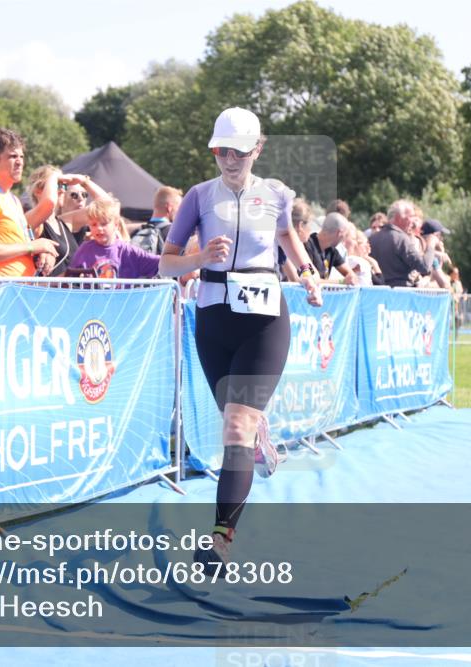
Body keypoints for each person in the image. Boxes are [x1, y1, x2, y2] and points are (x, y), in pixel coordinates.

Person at [157, 107, 322, 576]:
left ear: (257, 150)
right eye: (221, 152)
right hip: (214, 322)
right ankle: (257, 435)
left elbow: (289, 239)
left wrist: (307, 276)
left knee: (235, 429)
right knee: (237, 423)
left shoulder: (275, 196)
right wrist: (198, 256)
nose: (229, 160)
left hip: (265, 322)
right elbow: (165, 264)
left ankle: (221, 538)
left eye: (238, 152)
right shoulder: (197, 198)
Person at [0, 128, 58, 278]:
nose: (20, 162)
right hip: (1, 294)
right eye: (13, 156)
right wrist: (31, 246)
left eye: (21, 156)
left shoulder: (13, 199)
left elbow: (18, 247)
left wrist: (41, 253)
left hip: (19, 291)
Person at [67, 199, 161, 279]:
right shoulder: (85, 249)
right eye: (94, 224)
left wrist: (174, 256)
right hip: (93, 300)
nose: (99, 228)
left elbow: (160, 263)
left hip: (121, 300)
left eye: (104, 224)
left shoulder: (127, 251)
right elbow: (69, 277)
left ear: (116, 225)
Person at [26, 165, 80, 277]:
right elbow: (49, 202)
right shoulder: (32, 221)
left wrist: (85, 181)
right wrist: (56, 175)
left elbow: (107, 207)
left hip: (71, 292)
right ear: (38, 191)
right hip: (47, 292)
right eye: (57, 185)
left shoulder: (64, 221)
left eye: (64, 185)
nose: (62, 190)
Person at [368, 199, 429, 287]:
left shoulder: (371, 239)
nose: (412, 221)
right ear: (399, 218)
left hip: (378, 294)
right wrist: (431, 246)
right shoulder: (402, 239)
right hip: (402, 294)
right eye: (411, 216)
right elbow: (424, 267)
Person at [57, 174, 111, 245]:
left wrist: (85, 182)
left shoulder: (93, 228)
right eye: (74, 195)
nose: (81, 199)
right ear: (61, 198)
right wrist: (84, 182)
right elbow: (107, 204)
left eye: (84, 194)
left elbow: (108, 205)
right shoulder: (55, 222)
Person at [129, 186, 183, 255]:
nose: (180, 212)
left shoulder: (136, 232)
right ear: (169, 208)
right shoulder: (175, 232)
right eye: (178, 208)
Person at [306, 212, 356, 284]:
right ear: (339, 233)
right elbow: (311, 279)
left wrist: (351, 278)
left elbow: (351, 275)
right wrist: (342, 282)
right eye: (344, 235)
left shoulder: (332, 251)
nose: (343, 240)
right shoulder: (307, 246)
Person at [449, 266, 465, 335]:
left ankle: (455, 337)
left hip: (456, 306)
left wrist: (464, 295)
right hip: (448, 306)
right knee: (449, 321)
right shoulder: (447, 282)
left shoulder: (458, 283)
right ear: (451, 274)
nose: (457, 275)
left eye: (458, 273)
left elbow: (462, 292)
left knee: (459, 320)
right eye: (455, 273)